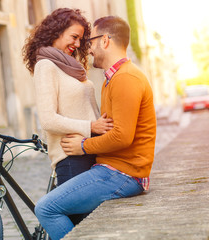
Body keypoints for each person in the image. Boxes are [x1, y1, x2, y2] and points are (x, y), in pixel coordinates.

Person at [34, 16, 157, 240]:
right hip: (111, 168)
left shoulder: (125, 78)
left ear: (105, 41)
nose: (86, 47)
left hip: (121, 173)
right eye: (79, 38)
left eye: (89, 40)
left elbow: (121, 136)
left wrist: (83, 145)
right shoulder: (113, 79)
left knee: (46, 209)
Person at [22, 8, 113, 188]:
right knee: (79, 217)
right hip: (71, 159)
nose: (78, 44)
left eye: (81, 39)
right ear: (57, 32)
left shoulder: (70, 67)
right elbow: (48, 120)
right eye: (74, 37)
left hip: (90, 150)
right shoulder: (45, 66)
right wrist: (91, 126)